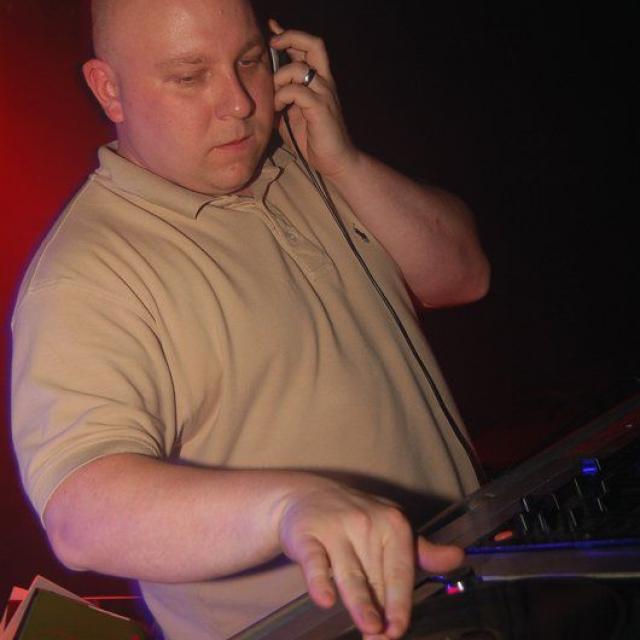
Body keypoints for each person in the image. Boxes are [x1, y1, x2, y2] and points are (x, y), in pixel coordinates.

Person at [11, 0, 490, 638]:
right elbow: (79, 515)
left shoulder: (304, 166)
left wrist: (343, 162)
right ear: (109, 90)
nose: (238, 103)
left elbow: (463, 275)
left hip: (469, 592)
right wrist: (288, 508)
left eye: (249, 62)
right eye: (190, 76)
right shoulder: (87, 275)